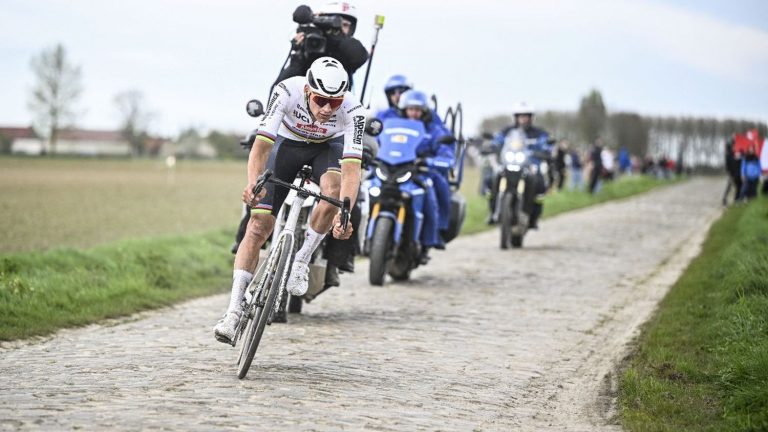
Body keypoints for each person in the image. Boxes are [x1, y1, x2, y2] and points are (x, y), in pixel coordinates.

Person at [214, 57, 364, 344]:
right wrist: (253, 184)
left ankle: (302, 259)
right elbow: (261, 146)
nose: (326, 109)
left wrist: (344, 214)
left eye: (335, 103)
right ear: (308, 91)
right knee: (257, 226)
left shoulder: (353, 110)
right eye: (321, 100)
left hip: (327, 148)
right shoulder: (287, 91)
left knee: (332, 191)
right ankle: (233, 312)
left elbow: (352, 169)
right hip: (287, 143)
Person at [397, 89, 456, 260]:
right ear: (404, 110)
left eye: (418, 110)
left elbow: (446, 152)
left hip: (423, 171)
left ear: (424, 112)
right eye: (410, 109)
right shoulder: (395, 127)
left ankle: (432, 237)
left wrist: (435, 161)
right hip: (396, 170)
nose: (414, 113)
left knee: (433, 191)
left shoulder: (434, 130)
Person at [274, 2, 369, 90]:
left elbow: (360, 56)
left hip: (336, 104)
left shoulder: (348, 53)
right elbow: (280, 89)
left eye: (344, 25)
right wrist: (298, 55)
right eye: (333, 23)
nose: (338, 28)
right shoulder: (310, 45)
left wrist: (336, 37)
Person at [488, 102, 552, 228]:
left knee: (539, 183)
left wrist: (545, 150)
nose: (523, 119)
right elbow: (497, 140)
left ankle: (533, 217)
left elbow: (546, 144)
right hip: (510, 162)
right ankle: (493, 211)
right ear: (516, 117)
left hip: (530, 165)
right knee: (491, 179)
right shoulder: (507, 131)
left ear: (530, 117)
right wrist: (491, 146)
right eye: (520, 116)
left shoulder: (538, 133)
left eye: (526, 116)